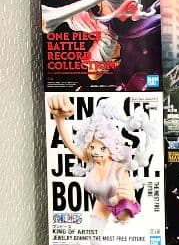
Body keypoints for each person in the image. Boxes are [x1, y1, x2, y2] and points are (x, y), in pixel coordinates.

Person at [47, 94, 152, 231]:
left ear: (111, 148)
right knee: (94, 236)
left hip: (119, 208)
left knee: (121, 221)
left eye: (102, 148)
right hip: (101, 204)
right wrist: (59, 119)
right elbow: (69, 144)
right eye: (92, 147)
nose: (96, 152)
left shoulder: (118, 165)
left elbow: (127, 197)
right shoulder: (91, 160)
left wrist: (126, 200)